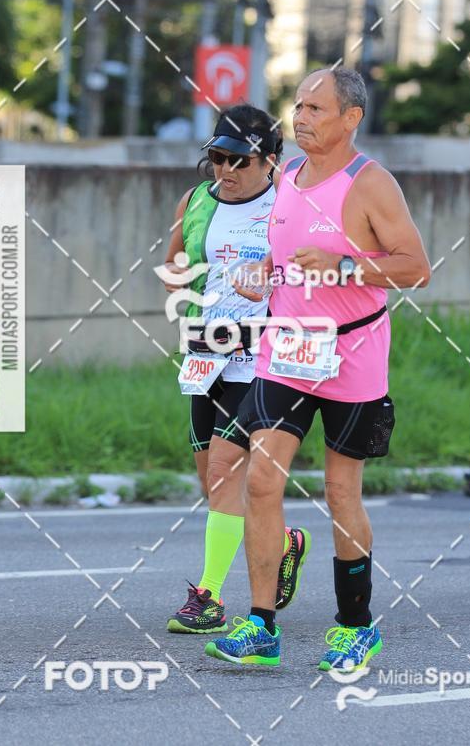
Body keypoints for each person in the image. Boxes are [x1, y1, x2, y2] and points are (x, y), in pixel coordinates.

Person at [205, 68, 431, 668]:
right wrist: (265, 276)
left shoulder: (371, 184)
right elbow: (287, 261)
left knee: (339, 490)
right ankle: (260, 624)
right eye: (297, 106)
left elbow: (414, 267)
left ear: (350, 118)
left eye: (315, 109)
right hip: (286, 351)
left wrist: (343, 266)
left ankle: (355, 624)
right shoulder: (287, 178)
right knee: (259, 480)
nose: (300, 118)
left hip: (352, 354)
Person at [160, 103, 311, 634]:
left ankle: (209, 598)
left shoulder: (288, 206)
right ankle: (285, 540)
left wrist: (272, 287)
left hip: (265, 358)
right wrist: (190, 293)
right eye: (217, 158)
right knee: (212, 480)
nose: (226, 170)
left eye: (239, 161)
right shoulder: (197, 201)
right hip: (206, 352)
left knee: (226, 470)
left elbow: (316, 271)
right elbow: (174, 263)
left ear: (271, 160)